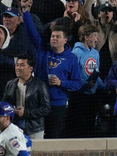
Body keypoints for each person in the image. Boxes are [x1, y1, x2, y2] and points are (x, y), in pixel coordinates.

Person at [23, 10, 81, 139]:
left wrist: (61, 83)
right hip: (38, 103)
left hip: (58, 105)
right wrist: (26, 12)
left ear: (65, 40)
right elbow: (31, 32)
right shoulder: (43, 50)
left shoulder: (71, 58)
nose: (54, 38)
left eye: (58, 36)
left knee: (53, 138)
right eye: (53, 36)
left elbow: (77, 83)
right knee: (35, 137)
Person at [2, 55, 51, 139]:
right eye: (17, 65)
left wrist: (25, 113)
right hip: (14, 126)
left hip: (34, 128)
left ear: (30, 69)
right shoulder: (10, 84)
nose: (18, 68)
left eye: (22, 65)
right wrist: (11, 109)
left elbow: (46, 108)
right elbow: (4, 104)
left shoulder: (39, 85)